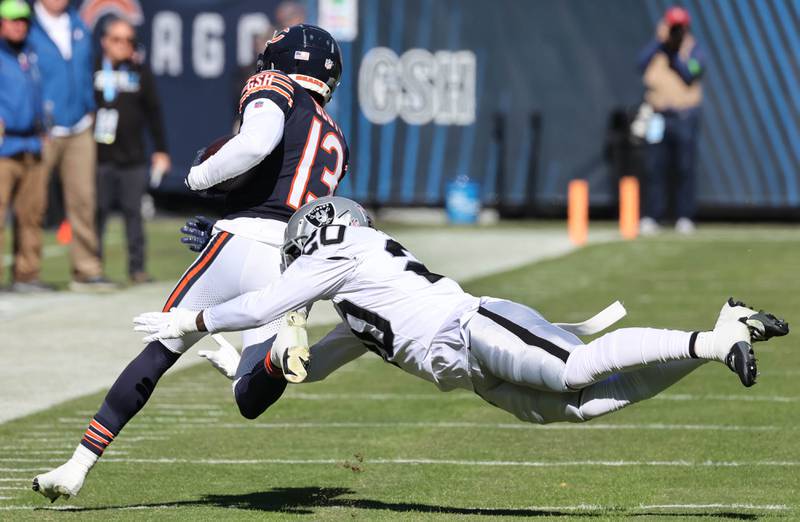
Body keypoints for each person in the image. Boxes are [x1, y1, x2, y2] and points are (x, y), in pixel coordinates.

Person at [129, 196, 787, 427]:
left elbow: (264, 302)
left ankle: (711, 338)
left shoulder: (344, 251)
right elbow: (313, 364)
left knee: (575, 369)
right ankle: (721, 333)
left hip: (474, 325)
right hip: (472, 372)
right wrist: (237, 366)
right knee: (585, 404)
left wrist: (190, 322)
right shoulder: (357, 297)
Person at [32, 24, 348, 503]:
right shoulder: (335, 136)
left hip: (239, 239)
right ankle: (264, 360)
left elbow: (257, 145)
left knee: (159, 350)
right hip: (287, 258)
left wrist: (198, 179)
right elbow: (286, 187)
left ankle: (78, 466)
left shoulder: (274, 85)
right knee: (249, 394)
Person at [28, 0, 112, 290]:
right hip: (44, 128)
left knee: (84, 200)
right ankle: (27, 273)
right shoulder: (28, 25)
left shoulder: (78, 23)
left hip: (80, 125)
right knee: (33, 203)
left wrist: (90, 107)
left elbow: (87, 69)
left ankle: (86, 270)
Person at [93, 17, 170, 284]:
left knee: (133, 215)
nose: (123, 45)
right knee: (97, 213)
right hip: (97, 157)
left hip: (132, 156)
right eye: (117, 39)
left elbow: (154, 112)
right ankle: (93, 268)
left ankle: (137, 268)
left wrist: (161, 149)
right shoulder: (92, 69)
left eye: (129, 40)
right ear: (104, 42)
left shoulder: (138, 71)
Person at [637, 6, 704, 236]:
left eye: (679, 27)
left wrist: (675, 54)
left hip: (684, 116)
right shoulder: (657, 49)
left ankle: (684, 217)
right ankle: (652, 216)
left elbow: (691, 73)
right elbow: (640, 63)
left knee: (685, 167)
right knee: (654, 167)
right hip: (658, 115)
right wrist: (660, 43)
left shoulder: (693, 50)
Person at [0, 0, 52, 293]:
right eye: (12, 20)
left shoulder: (30, 54)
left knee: (32, 213)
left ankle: (27, 274)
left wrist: (45, 126)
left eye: (23, 20)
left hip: (31, 142)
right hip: (4, 145)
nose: (18, 24)